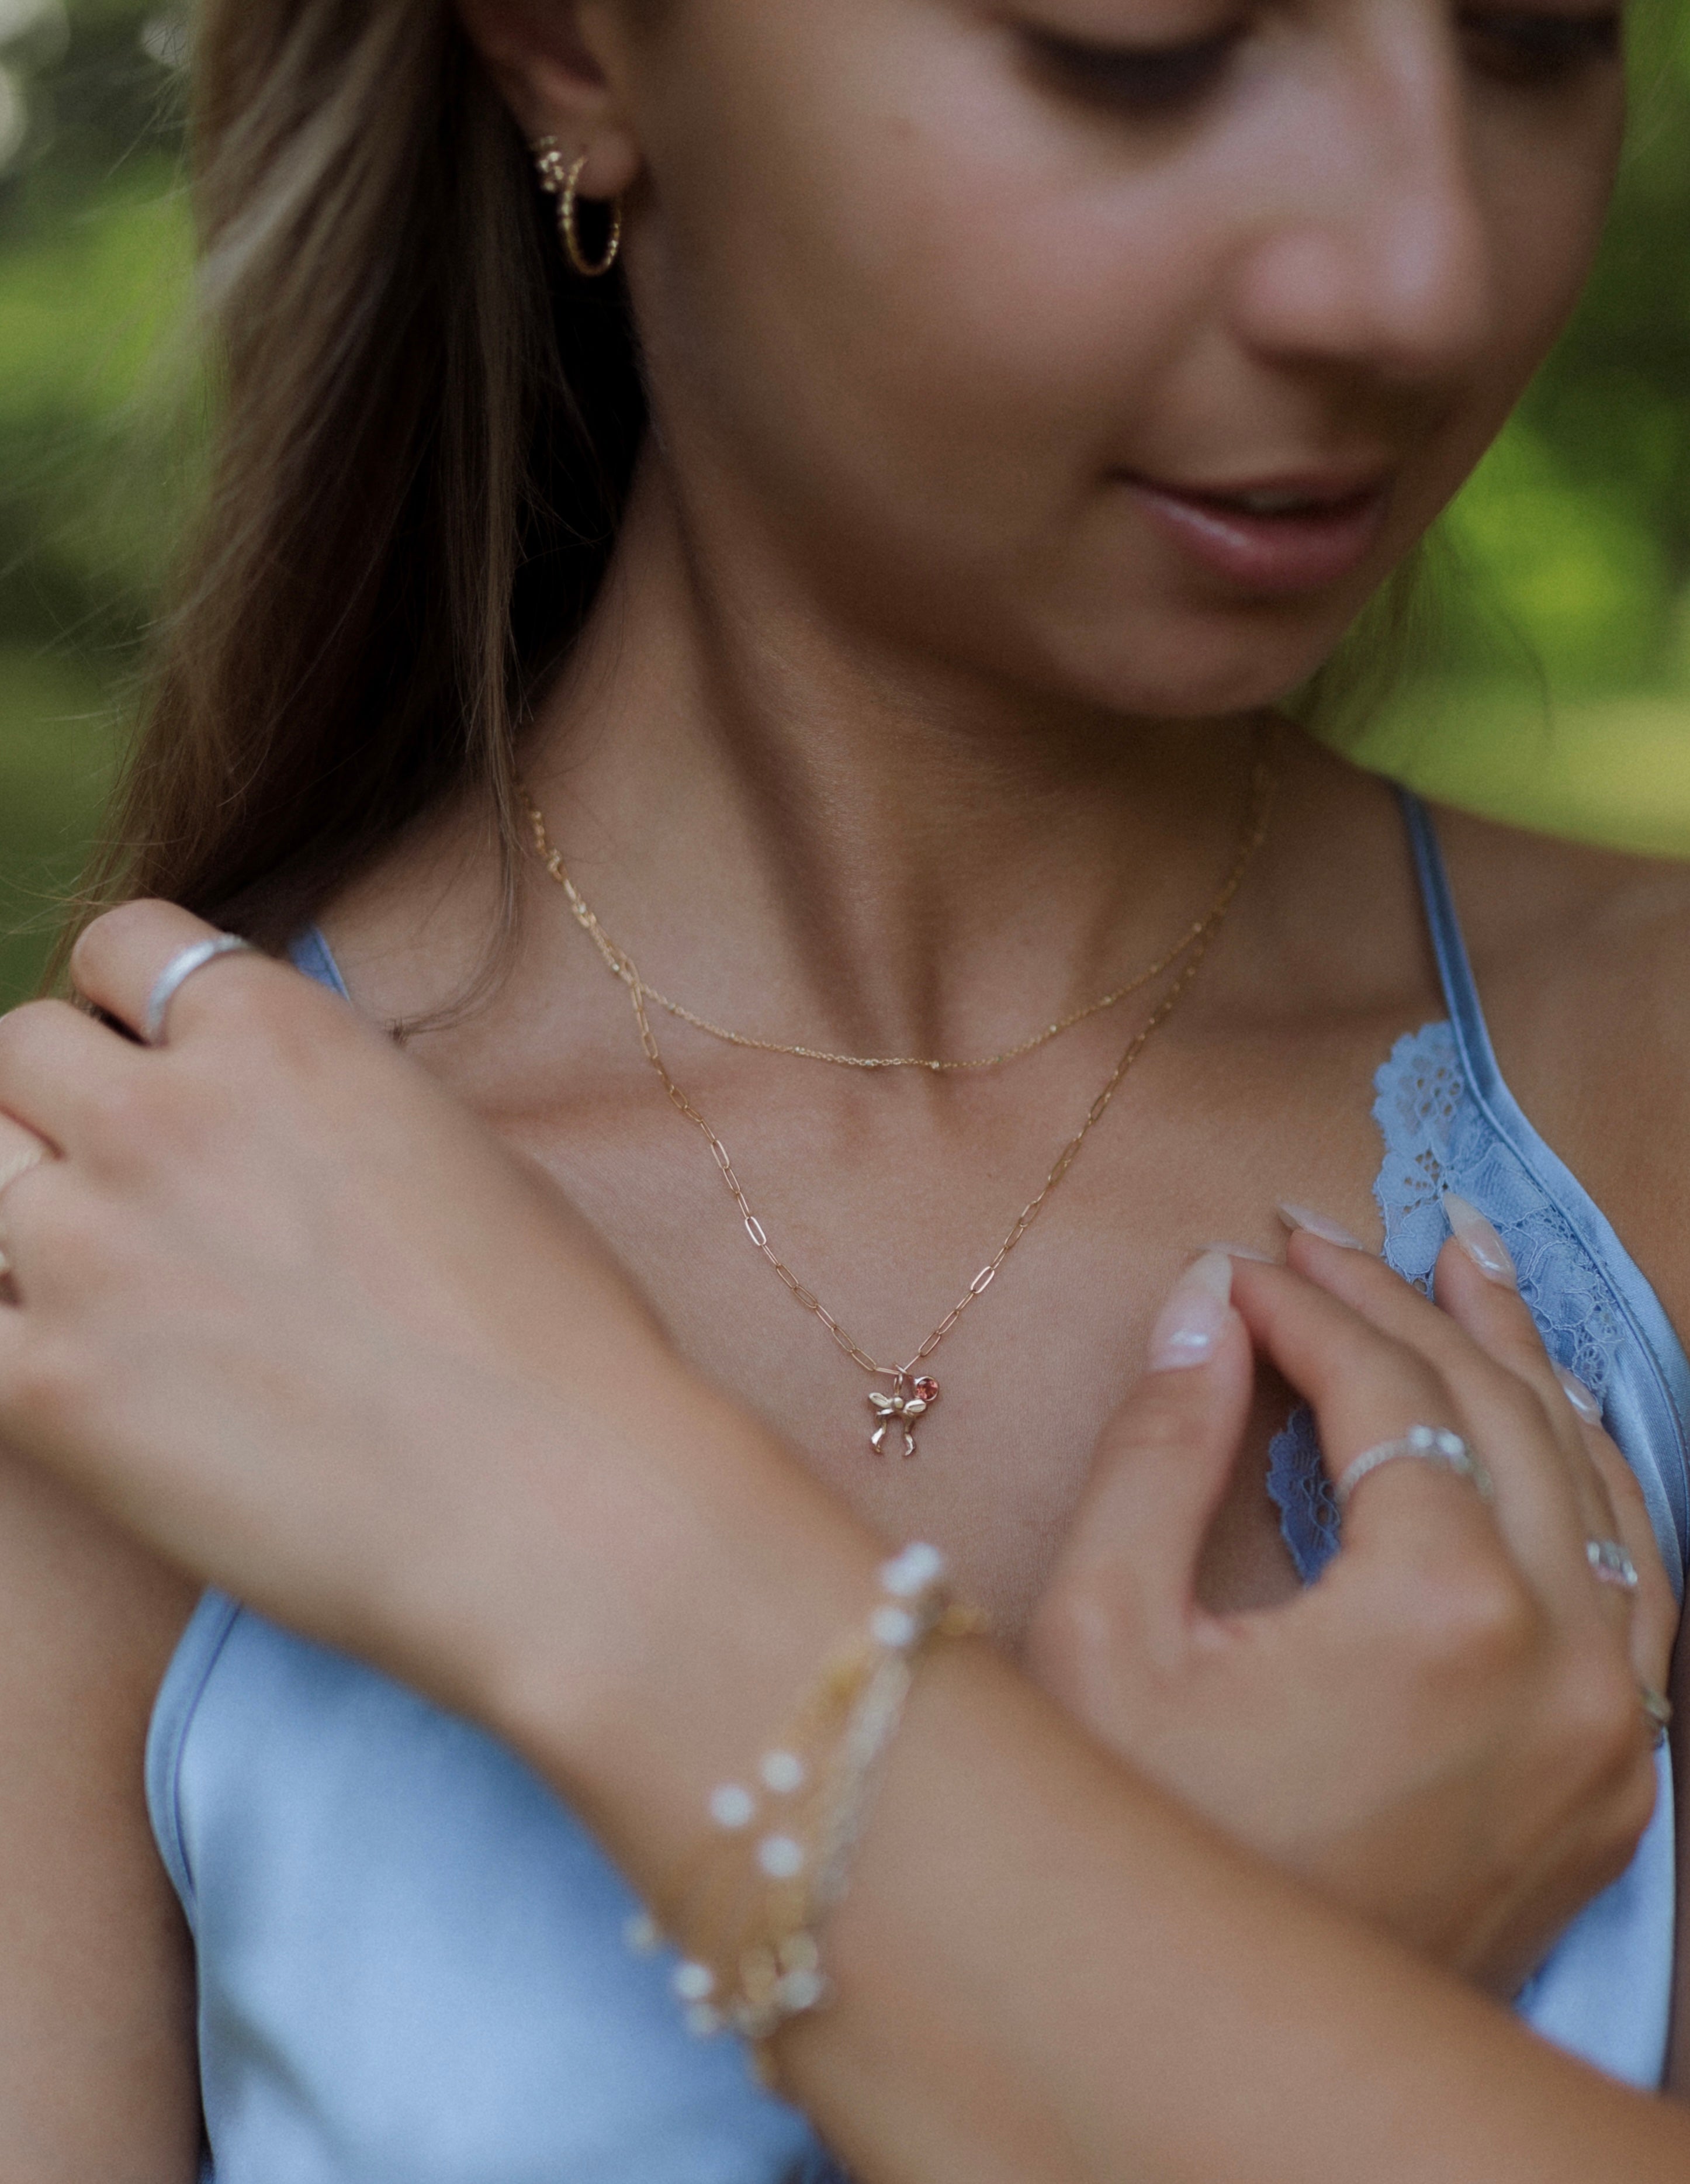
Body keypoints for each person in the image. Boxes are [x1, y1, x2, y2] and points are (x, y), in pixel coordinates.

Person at [0, 1, 1686, 2178]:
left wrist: (601, 1546)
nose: (1418, 278)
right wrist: (1231, 1999)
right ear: (575, 52)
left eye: (1542, 27)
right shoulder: (131, 1271)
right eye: (1138, 39)